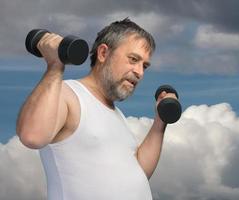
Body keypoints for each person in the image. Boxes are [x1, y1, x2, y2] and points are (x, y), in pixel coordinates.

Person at [16, 18, 175, 199]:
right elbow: (32, 136)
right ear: (103, 53)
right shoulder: (68, 95)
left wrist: (160, 122)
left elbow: (138, 173)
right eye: (133, 59)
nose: (140, 72)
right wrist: (55, 65)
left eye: (144, 66)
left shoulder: (117, 115)